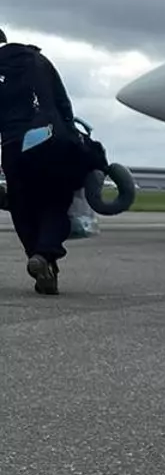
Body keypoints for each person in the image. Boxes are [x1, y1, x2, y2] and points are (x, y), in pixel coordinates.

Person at [0, 28, 97, 296]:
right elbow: (62, 102)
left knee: (22, 207)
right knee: (56, 202)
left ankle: (40, 258)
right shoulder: (37, 59)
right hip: (52, 141)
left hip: (13, 146)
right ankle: (44, 257)